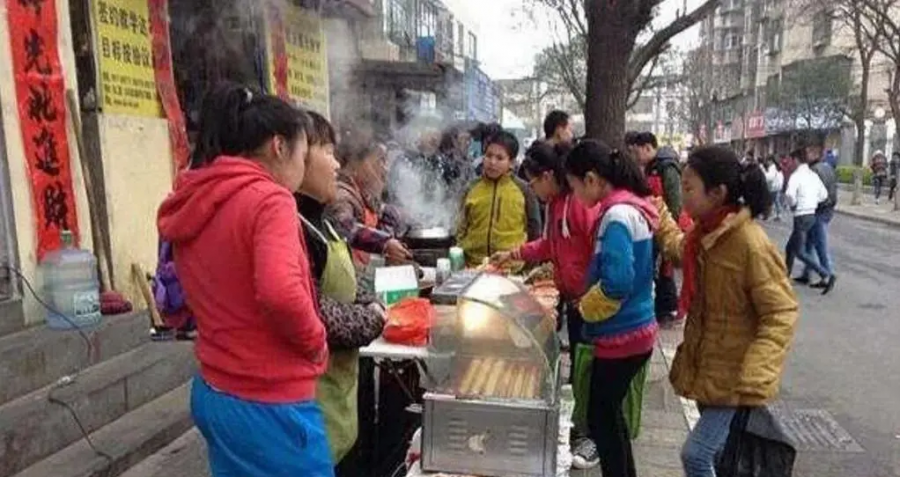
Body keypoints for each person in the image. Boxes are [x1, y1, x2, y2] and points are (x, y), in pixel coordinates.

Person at [157, 82, 333, 476]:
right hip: (269, 401)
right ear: (279, 147)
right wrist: (316, 339)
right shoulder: (269, 200)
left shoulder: (199, 196)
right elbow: (281, 294)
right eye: (304, 155)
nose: (303, 168)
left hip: (216, 391)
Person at [653, 145, 799, 477]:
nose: (684, 195)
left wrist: (757, 371)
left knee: (696, 454)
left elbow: (781, 312)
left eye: (689, 188)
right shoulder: (705, 234)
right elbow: (679, 249)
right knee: (719, 454)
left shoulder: (749, 243)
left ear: (717, 193)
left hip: (736, 375)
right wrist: (660, 218)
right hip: (709, 367)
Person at [489, 141, 601, 468]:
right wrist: (514, 254)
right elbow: (549, 244)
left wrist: (590, 294)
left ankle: (591, 435)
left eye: (534, 180)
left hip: (590, 302)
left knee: (588, 368)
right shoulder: (555, 203)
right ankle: (581, 423)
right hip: (575, 299)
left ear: (549, 175)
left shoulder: (577, 204)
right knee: (579, 364)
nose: (532, 188)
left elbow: (598, 248)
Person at [296, 112, 385, 473]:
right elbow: (313, 312)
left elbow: (343, 289)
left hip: (339, 394)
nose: (336, 163)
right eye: (328, 151)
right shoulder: (292, 227)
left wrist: (368, 301)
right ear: (293, 154)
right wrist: (372, 317)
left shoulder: (324, 222)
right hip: (312, 401)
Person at [564, 139, 659, 477]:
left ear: (590, 179)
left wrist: (585, 308)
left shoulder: (617, 216)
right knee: (610, 415)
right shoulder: (632, 207)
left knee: (601, 418)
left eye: (574, 186)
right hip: (637, 330)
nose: (575, 195)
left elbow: (618, 282)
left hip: (623, 334)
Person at [625, 131, 688, 326]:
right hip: (655, 225)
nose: (636, 157)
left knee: (665, 268)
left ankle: (668, 309)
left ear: (647, 147)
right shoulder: (650, 167)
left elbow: (675, 202)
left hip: (666, 225)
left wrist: (670, 226)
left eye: (637, 152)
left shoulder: (667, 167)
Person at [457, 130, 542, 266]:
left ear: (512, 163)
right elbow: (460, 228)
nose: (492, 162)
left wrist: (530, 267)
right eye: (488, 156)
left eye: (499, 158)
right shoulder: (471, 188)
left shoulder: (524, 190)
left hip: (511, 269)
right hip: (473, 267)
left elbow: (534, 231)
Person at [328, 132, 412, 267]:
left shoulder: (364, 193)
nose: (386, 169)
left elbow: (380, 210)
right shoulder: (342, 195)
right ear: (355, 164)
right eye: (380, 160)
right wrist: (384, 243)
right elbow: (343, 225)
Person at [784, 148, 835, 292]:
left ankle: (825, 273)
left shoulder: (796, 176)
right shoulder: (812, 175)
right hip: (811, 214)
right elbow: (823, 195)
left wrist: (794, 204)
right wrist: (811, 202)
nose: (790, 164)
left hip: (800, 215)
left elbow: (789, 195)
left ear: (796, 160)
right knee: (790, 248)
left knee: (799, 251)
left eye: (791, 161)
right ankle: (785, 276)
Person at [796, 135, 838, 293]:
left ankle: (828, 274)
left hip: (818, 211)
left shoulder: (814, 171)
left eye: (807, 153)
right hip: (827, 210)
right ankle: (807, 274)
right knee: (810, 244)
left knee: (820, 245)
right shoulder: (827, 167)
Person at [764, 155, 785, 221]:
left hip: (773, 186)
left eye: (767, 161)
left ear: (770, 161)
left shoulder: (772, 168)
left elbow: (770, 177)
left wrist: (764, 174)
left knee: (770, 201)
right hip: (777, 186)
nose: (767, 162)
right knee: (776, 201)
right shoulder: (777, 167)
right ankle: (778, 214)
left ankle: (769, 214)